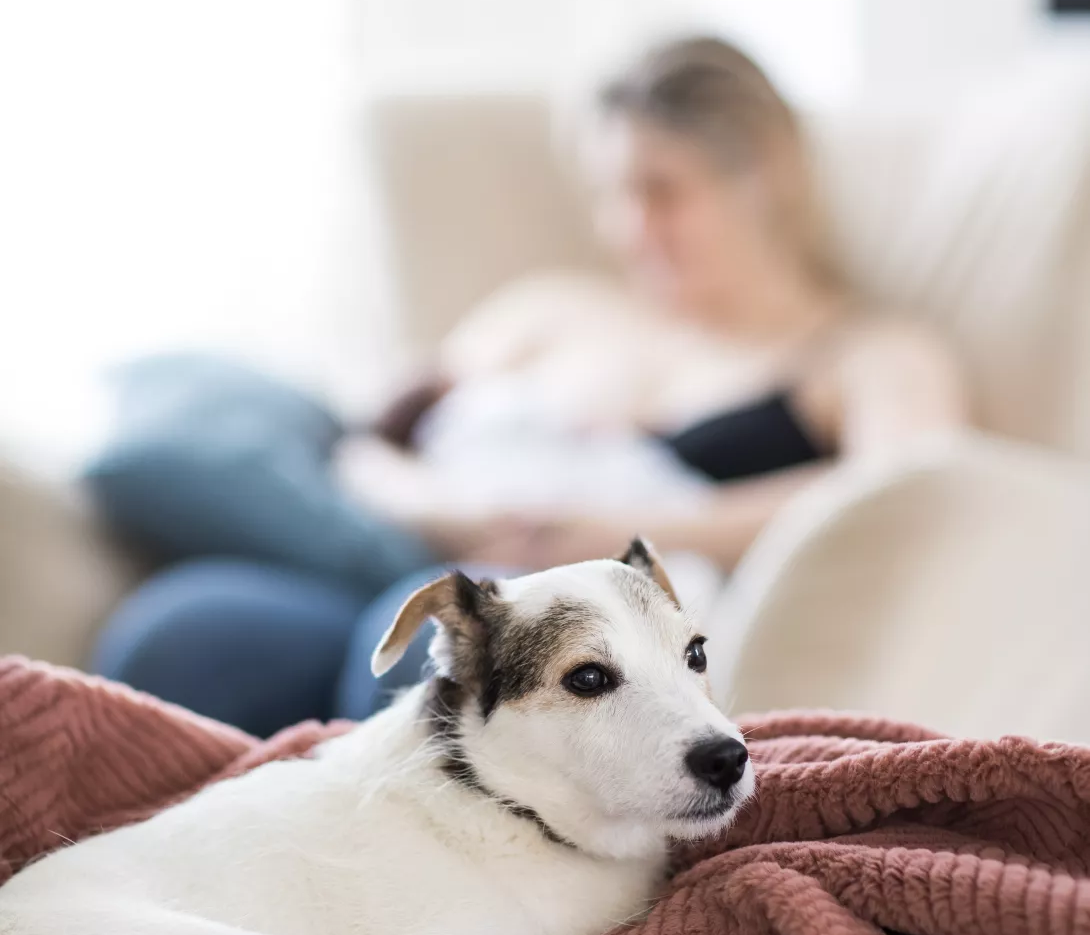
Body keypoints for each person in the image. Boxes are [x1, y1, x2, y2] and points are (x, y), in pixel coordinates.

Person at [94, 36, 965, 734]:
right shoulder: (550, 312)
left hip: (572, 636)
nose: (631, 227)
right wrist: (443, 509)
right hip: (404, 564)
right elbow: (366, 443)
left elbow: (905, 503)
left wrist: (618, 534)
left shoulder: (862, 354)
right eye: (613, 193)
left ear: (761, 178)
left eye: (662, 191)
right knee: (180, 630)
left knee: (420, 655)